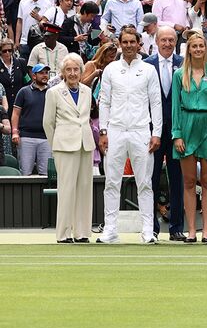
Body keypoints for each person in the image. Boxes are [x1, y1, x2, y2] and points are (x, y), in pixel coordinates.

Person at [97, 26, 162, 244]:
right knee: (111, 182)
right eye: (124, 42)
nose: (128, 46)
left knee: (144, 183)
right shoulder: (111, 70)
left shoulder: (148, 70)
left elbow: (156, 102)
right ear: (119, 44)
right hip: (115, 131)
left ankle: (147, 230)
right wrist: (103, 130)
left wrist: (157, 133)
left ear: (138, 43)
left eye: (132, 42)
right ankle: (110, 229)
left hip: (141, 131)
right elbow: (104, 101)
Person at [171, 32, 207, 243]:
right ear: (189, 49)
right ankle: (192, 230)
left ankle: (206, 231)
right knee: (189, 181)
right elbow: (175, 106)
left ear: (206, 48)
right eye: (194, 46)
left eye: (201, 46)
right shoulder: (179, 75)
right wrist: (177, 134)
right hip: (186, 126)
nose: (198, 50)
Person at [42, 55, 94, 243]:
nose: (72, 73)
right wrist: (56, 145)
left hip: (85, 144)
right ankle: (63, 233)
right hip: (64, 146)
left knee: (84, 188)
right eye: (69, 70)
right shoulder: (54, 92)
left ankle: (82, 233)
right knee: (66, 189)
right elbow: (48, 123)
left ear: (81, 71)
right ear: (63, 72)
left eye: (76, 69)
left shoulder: (87, 91)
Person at [145, 28, 184, 240]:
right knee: (150, 178)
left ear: (176, 42)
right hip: (153, 131)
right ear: (156, 41)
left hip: (178, 131)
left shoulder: (184, 63)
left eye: (171, 40)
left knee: (177, 179)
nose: (167, 43)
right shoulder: (147, 64)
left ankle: (177, 227)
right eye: (164, 40)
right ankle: (151, 227)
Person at [11, 64, 52, 176]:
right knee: (25, 173)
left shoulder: (52, 92)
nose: (45, 75)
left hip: (46, 138)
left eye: (46, 73)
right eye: (41, 73)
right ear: (34, 76)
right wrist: (15, 132)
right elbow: (16, 113)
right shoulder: (24, 92)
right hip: (26, 137)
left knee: (46, 174)